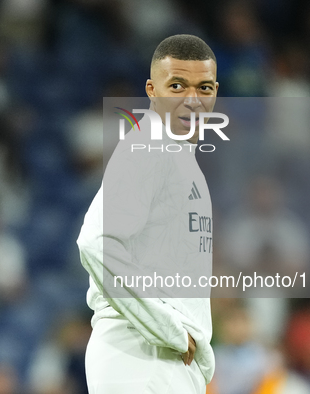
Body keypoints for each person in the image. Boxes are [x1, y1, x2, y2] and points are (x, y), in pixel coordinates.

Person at [77, 34, 218, 393]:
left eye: (203, 88)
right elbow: (97, 242)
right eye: (177, 86)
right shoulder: (150, 146)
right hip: (144, 356)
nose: (192, 99)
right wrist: (168, 328)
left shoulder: (176, 154)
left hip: (162, 359)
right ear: (152, 90)